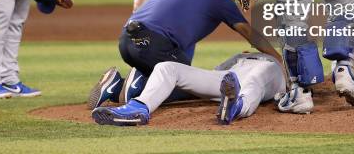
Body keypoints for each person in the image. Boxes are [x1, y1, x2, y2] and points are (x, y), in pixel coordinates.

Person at [87, 0, 281, 110]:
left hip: (127, 42)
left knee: (182, 70)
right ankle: (126, 90)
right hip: (153, 42)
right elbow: (249, 32)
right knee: (191, 83)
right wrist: (278, 58)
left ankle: (127, 81)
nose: (236, 2)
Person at [92, 52, 285, 126]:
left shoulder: (276, 62)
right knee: (167, 67)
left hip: (272, 73)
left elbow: (306, 84)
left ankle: (235, 107)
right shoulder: (240, 56)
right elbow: (217, 72)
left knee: (253, 82)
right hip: (228, 77)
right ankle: (139, 108)